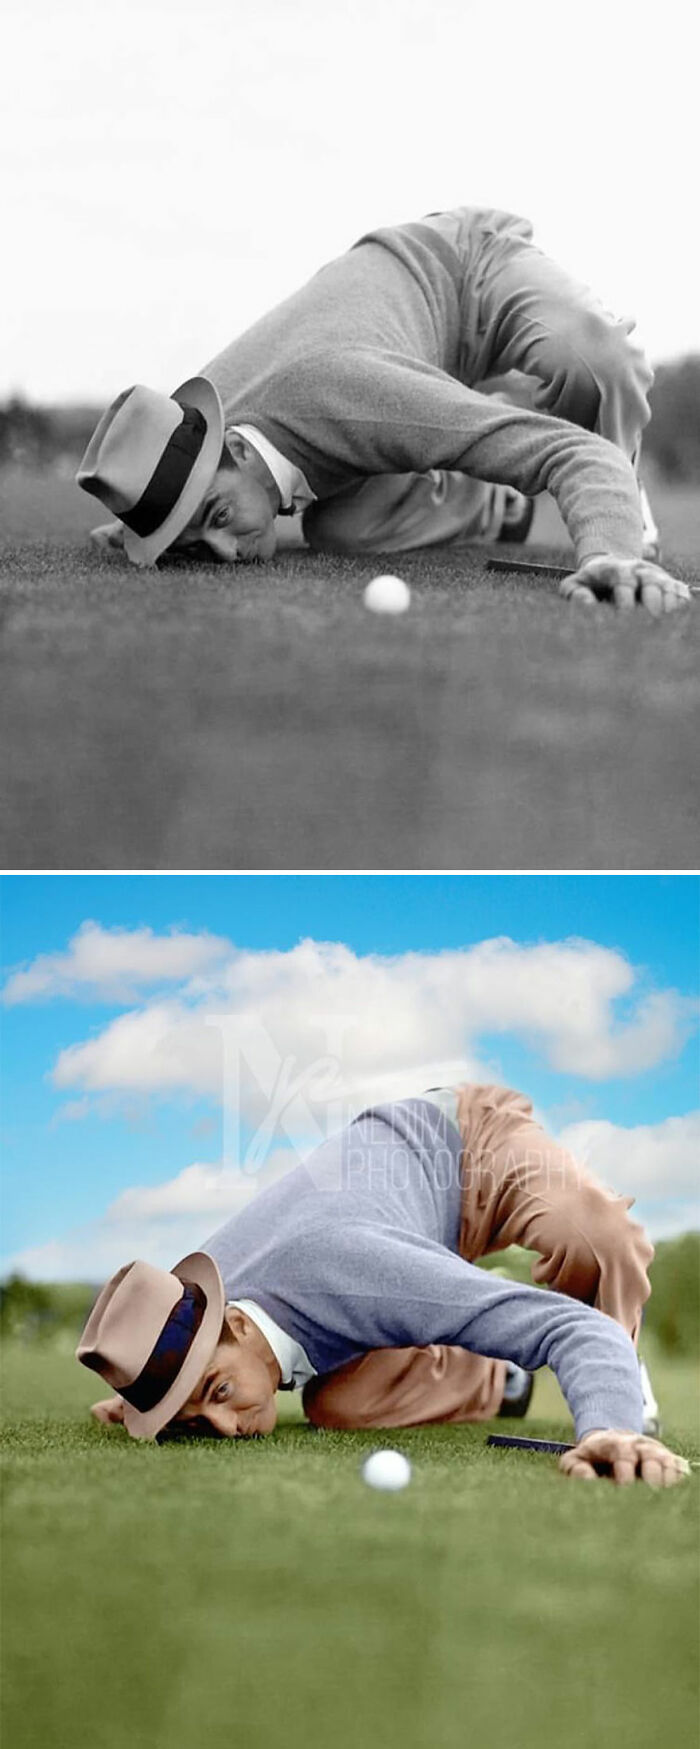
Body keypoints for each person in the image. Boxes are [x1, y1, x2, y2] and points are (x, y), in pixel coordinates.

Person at [77, 204, 691, 616]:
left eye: (214, 513)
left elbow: (572, 453)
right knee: (343, 531)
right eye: (194, 546)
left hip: (463, 271)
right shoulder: (196, 432)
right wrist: (153, 526)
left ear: (235, 448)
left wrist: (610, 551)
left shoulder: (348, 399)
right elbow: (165, 494)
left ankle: (621, 505)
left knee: (593, 363)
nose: (226, 549)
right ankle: (490, 474)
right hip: (391, 367)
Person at [80, 1083, 689, 1487]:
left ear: (235, 1323)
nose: (224, 1426)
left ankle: (623, 1378)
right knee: (337, 1407)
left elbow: (570, 1327)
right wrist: (158, 1395)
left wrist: (610, 1426)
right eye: (192, 1422)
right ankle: (499, 1374)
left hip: (470, 1146)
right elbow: (169, 1347)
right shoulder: (197, 1305)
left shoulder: (356, 1274)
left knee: (597, 1237)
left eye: (215, 1390)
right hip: (391, 1237)